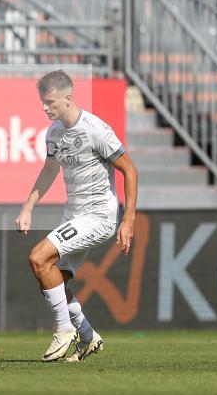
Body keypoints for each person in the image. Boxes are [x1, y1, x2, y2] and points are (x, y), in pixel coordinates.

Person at [15, 70, 138, 363]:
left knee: (37, 257)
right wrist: (28, 206)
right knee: (53, 278)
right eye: (42, 102)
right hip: (74, 214)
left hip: (98, 215)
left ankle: (63, 329)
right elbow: (49, 170)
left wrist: (128, 219)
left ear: (68, 98)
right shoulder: (54, 133)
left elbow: (130, 170)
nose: (45, 108)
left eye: (50, 102)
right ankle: (87, 336)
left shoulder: (95, 128)